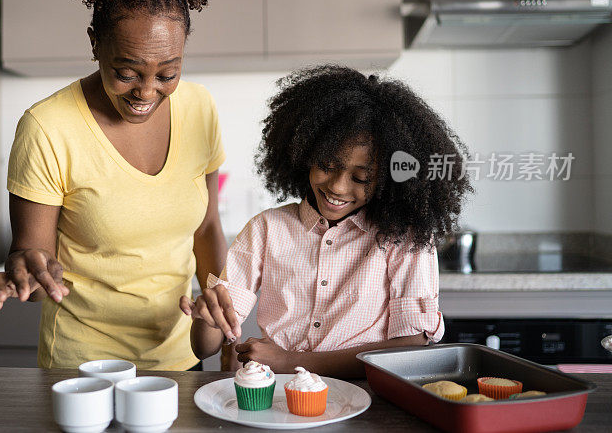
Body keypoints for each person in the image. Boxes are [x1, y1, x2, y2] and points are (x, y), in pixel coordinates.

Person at [0, 0, 227, 371]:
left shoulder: (199, 108)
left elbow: (206, 227)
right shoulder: (48, 126)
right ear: (95, 42)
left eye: (168, 73)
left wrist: (219, 299)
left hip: (178, 362)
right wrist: (28, 270)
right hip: (82, 366)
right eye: (126, 71)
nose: (146, 91)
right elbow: (32, 250)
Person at [180, 65, 473, 378]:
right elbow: (204, 348)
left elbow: (411, 348)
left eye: (361, 177)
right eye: (327, 165)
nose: (337, 187)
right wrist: (209, 319)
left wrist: (290, 362)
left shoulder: (405, 238)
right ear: (304, 153)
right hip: (277, 400)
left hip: (367, 403)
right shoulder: (266, 230)